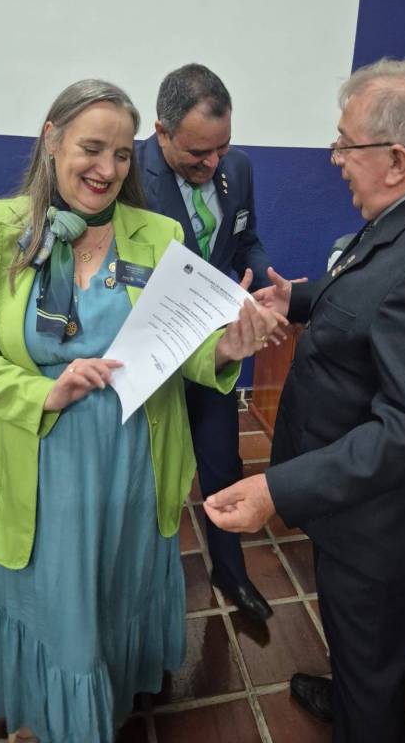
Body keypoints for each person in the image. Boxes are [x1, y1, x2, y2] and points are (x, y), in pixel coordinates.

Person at [0, 79, 285, 743]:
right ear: (51, 139)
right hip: (42, 460)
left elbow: (179, 346)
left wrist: (225, 347)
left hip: (134, 458)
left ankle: (115, 691)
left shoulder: (157, 233)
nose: (107, 169)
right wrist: (43, 392)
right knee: (57, 600)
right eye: (92, 149)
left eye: (122, 154)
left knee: (117, 585)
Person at [204, 57, 405, 743]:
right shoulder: (399, 221)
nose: (334, 159)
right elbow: (365, 285)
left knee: (371, 653)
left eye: (345, 144)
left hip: (379, 526)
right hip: (351, 508)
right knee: (358, 649)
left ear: (396, 160)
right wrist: (294, 299)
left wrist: (277, 488)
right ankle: (351, 691)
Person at [136, 63, 276, 622]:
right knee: (149, 478)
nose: (213, 163)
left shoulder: (236, 167)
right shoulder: (127, 177)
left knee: (221, 462)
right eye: (198, 153)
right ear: (161, 132)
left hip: (216, 352)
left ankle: (231, 571)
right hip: (153, 356)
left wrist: (265, 278)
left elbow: (245, 238)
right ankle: (146, 586)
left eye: (222, 147)